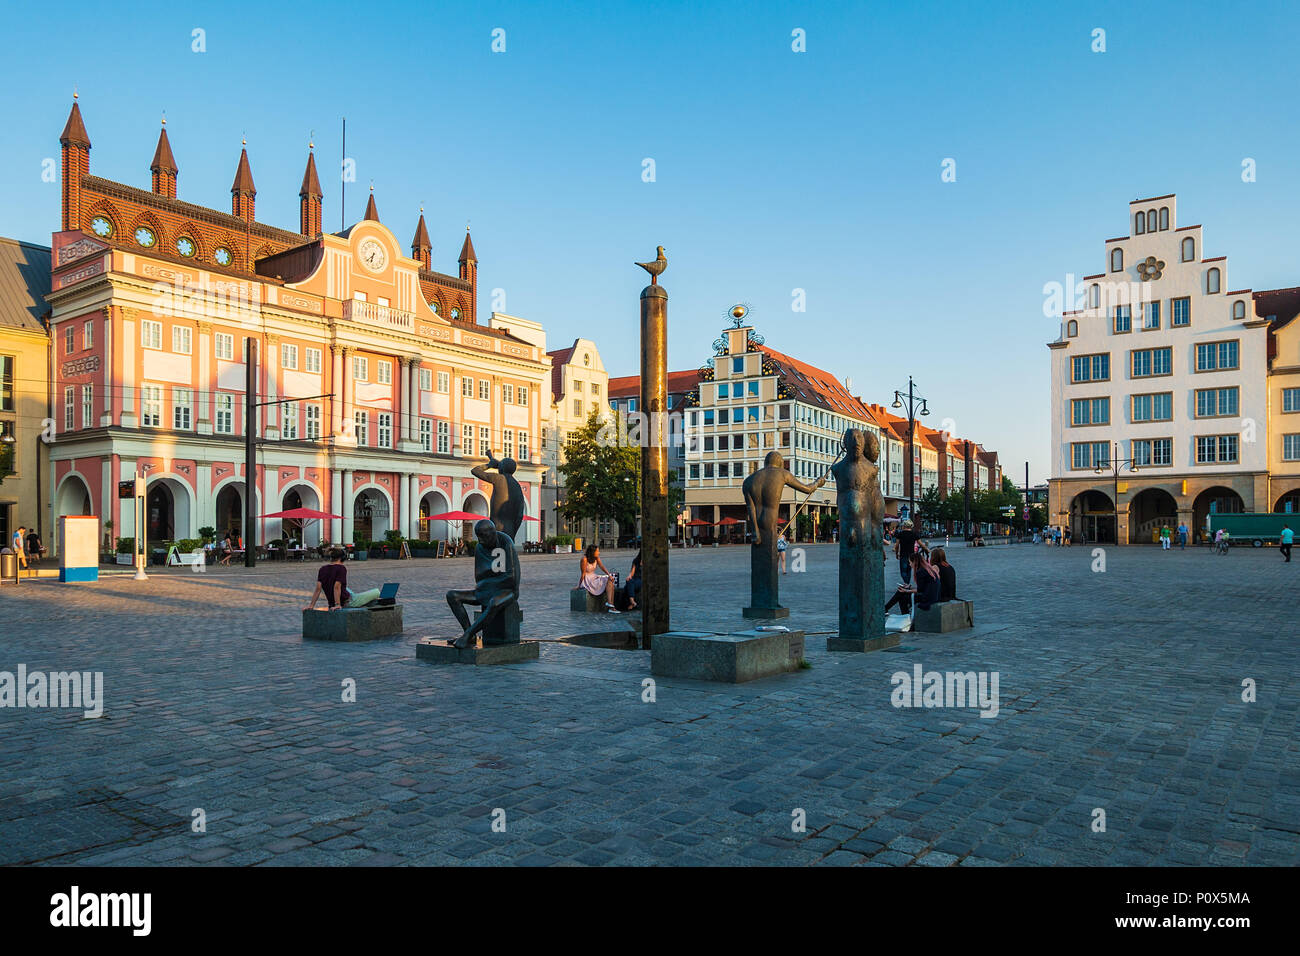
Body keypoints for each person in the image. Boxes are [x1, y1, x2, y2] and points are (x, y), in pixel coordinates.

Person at [305, 548, 380, 610]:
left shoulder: (322, 569)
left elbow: (318, 589)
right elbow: (336, 587)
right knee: (377, 592)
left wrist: (311, 606)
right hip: (348, 601)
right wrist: (338, 604)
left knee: (347, 589)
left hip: (332, 602)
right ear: (342, 558)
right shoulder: (341, 568)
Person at [579, 544, 619, 612]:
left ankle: (611, 605)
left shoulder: (596, 558)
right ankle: (611, 606)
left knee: (610, 580)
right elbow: (583, 574)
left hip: (594, 576)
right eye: (597, 551)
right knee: (608, 581)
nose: (599, 553)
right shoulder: (584, 559)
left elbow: (602, 567)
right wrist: (579, 585)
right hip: (588, 579)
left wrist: (609, 575)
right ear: (592, 552)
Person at [893, 519, 927, 583]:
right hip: (912, 555)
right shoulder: (914, 534)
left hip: (903, 555)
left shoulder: (900, 534)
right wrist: (926, 549)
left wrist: (896, 554)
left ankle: (906, 583)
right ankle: (907, 584)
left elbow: (897, 545)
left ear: (904, 526)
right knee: (909, 570)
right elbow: (921, 544)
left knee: (903, 571)